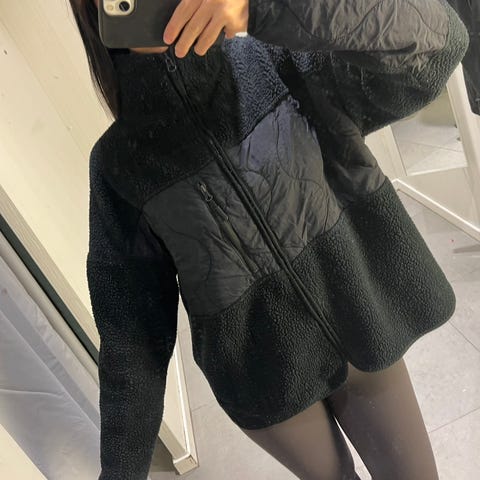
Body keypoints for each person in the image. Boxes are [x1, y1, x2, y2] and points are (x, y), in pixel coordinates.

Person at [73, 1, 469, 479]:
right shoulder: (118, 166)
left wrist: (261, 8)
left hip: (362, 316)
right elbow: (132, 344)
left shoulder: (280, 59)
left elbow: (439, 44)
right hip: (265, 383)